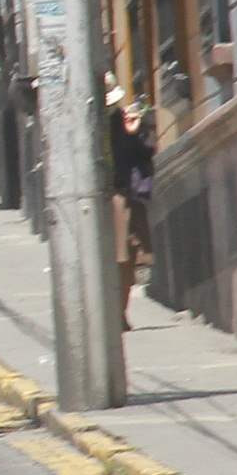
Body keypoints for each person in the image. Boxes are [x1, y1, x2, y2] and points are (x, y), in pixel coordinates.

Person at [108, 98, 156, 330]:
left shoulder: (120, 125)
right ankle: (114, 313)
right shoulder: (104, 127)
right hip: (111, 197)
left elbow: (144, 154)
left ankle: (118, 313)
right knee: (120, 260)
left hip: (124, 197)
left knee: (126, 259)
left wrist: (134, 133)